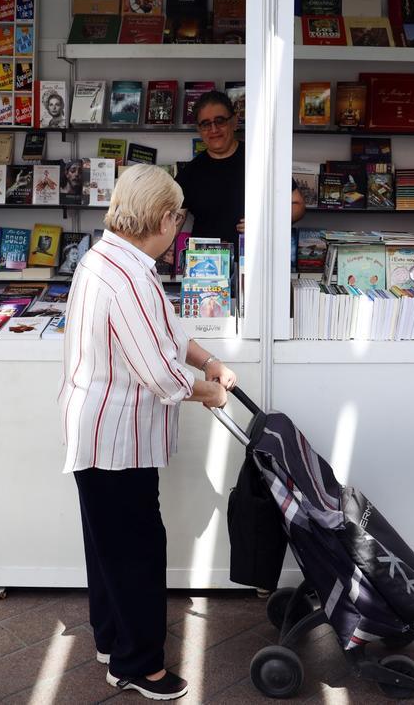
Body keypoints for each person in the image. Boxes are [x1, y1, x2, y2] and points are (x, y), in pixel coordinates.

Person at [58, 164, 238, 701]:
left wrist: (208, 361)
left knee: (109, 546)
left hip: (97, 432)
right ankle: (139, 666)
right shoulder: (129, 275)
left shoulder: (109, 257)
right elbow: (158, 373)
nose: (177, 230)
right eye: (176, 220)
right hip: (117, 438)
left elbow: (165, 331)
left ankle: (113, 641)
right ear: (163, 217)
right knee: (136, 550)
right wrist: (211, 392)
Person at [176, 91, 305, 249]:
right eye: (205, 124)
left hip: (259, 264)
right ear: (199, 129)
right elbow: (171, 223)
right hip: (205, 268)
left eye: (220, 121)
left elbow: (297, 205)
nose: (214, 129)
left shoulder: (262, 161)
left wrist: (266, 223)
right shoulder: (190, 172)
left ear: (235, 121)